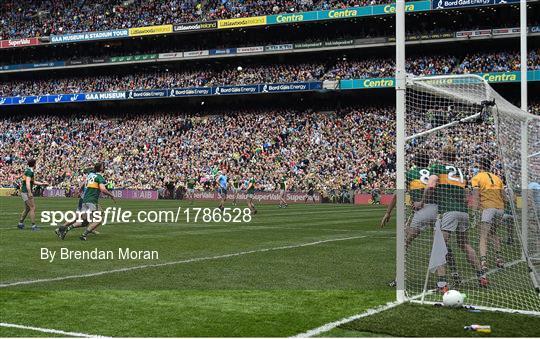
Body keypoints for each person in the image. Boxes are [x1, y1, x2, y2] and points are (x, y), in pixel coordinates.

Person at [429, 146, 487, 292]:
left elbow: (431, 184)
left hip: (449, 211)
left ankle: (442, 285)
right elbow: (467, 193)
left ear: (443, 155)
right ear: (454, 157)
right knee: (465, 244)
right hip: (463, 212)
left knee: (439, 247)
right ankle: (482, 276)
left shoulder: (438, 167)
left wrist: (425, 199)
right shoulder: (460, 172)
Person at [56, 162, 116, 241]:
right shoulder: (99, 177)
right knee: (98, 219)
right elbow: (103, 189)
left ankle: (65, 229)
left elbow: (83, 185)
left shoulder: (90, 176)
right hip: (91, 200)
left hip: (84, 199)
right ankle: (83, 234)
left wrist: (79, 191)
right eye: (103, 166)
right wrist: (111, 195)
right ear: (101, 169)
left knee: (85, 221)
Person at [471, 157, 506, 271]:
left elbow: (476, 196)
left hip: (488, 208)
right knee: (494, 233)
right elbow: (504, 197)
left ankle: (483, 262)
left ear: (480, 166)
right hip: (500, 209)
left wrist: (474, 211)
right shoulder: (497, 178)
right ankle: (499, 259)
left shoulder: (477, 177)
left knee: (483, 236)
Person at [18, 158, 49, 231]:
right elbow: (28, 182)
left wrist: (42, 184)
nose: (36, 165)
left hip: (24, 192)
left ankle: (20, 223)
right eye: (36, 163)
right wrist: (29, 192)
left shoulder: (29, 170)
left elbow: (32, 182)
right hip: (26, 192)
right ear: (34, 164)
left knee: (27, 208)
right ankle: (33, 226)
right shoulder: (30, 172)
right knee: (32, 208)